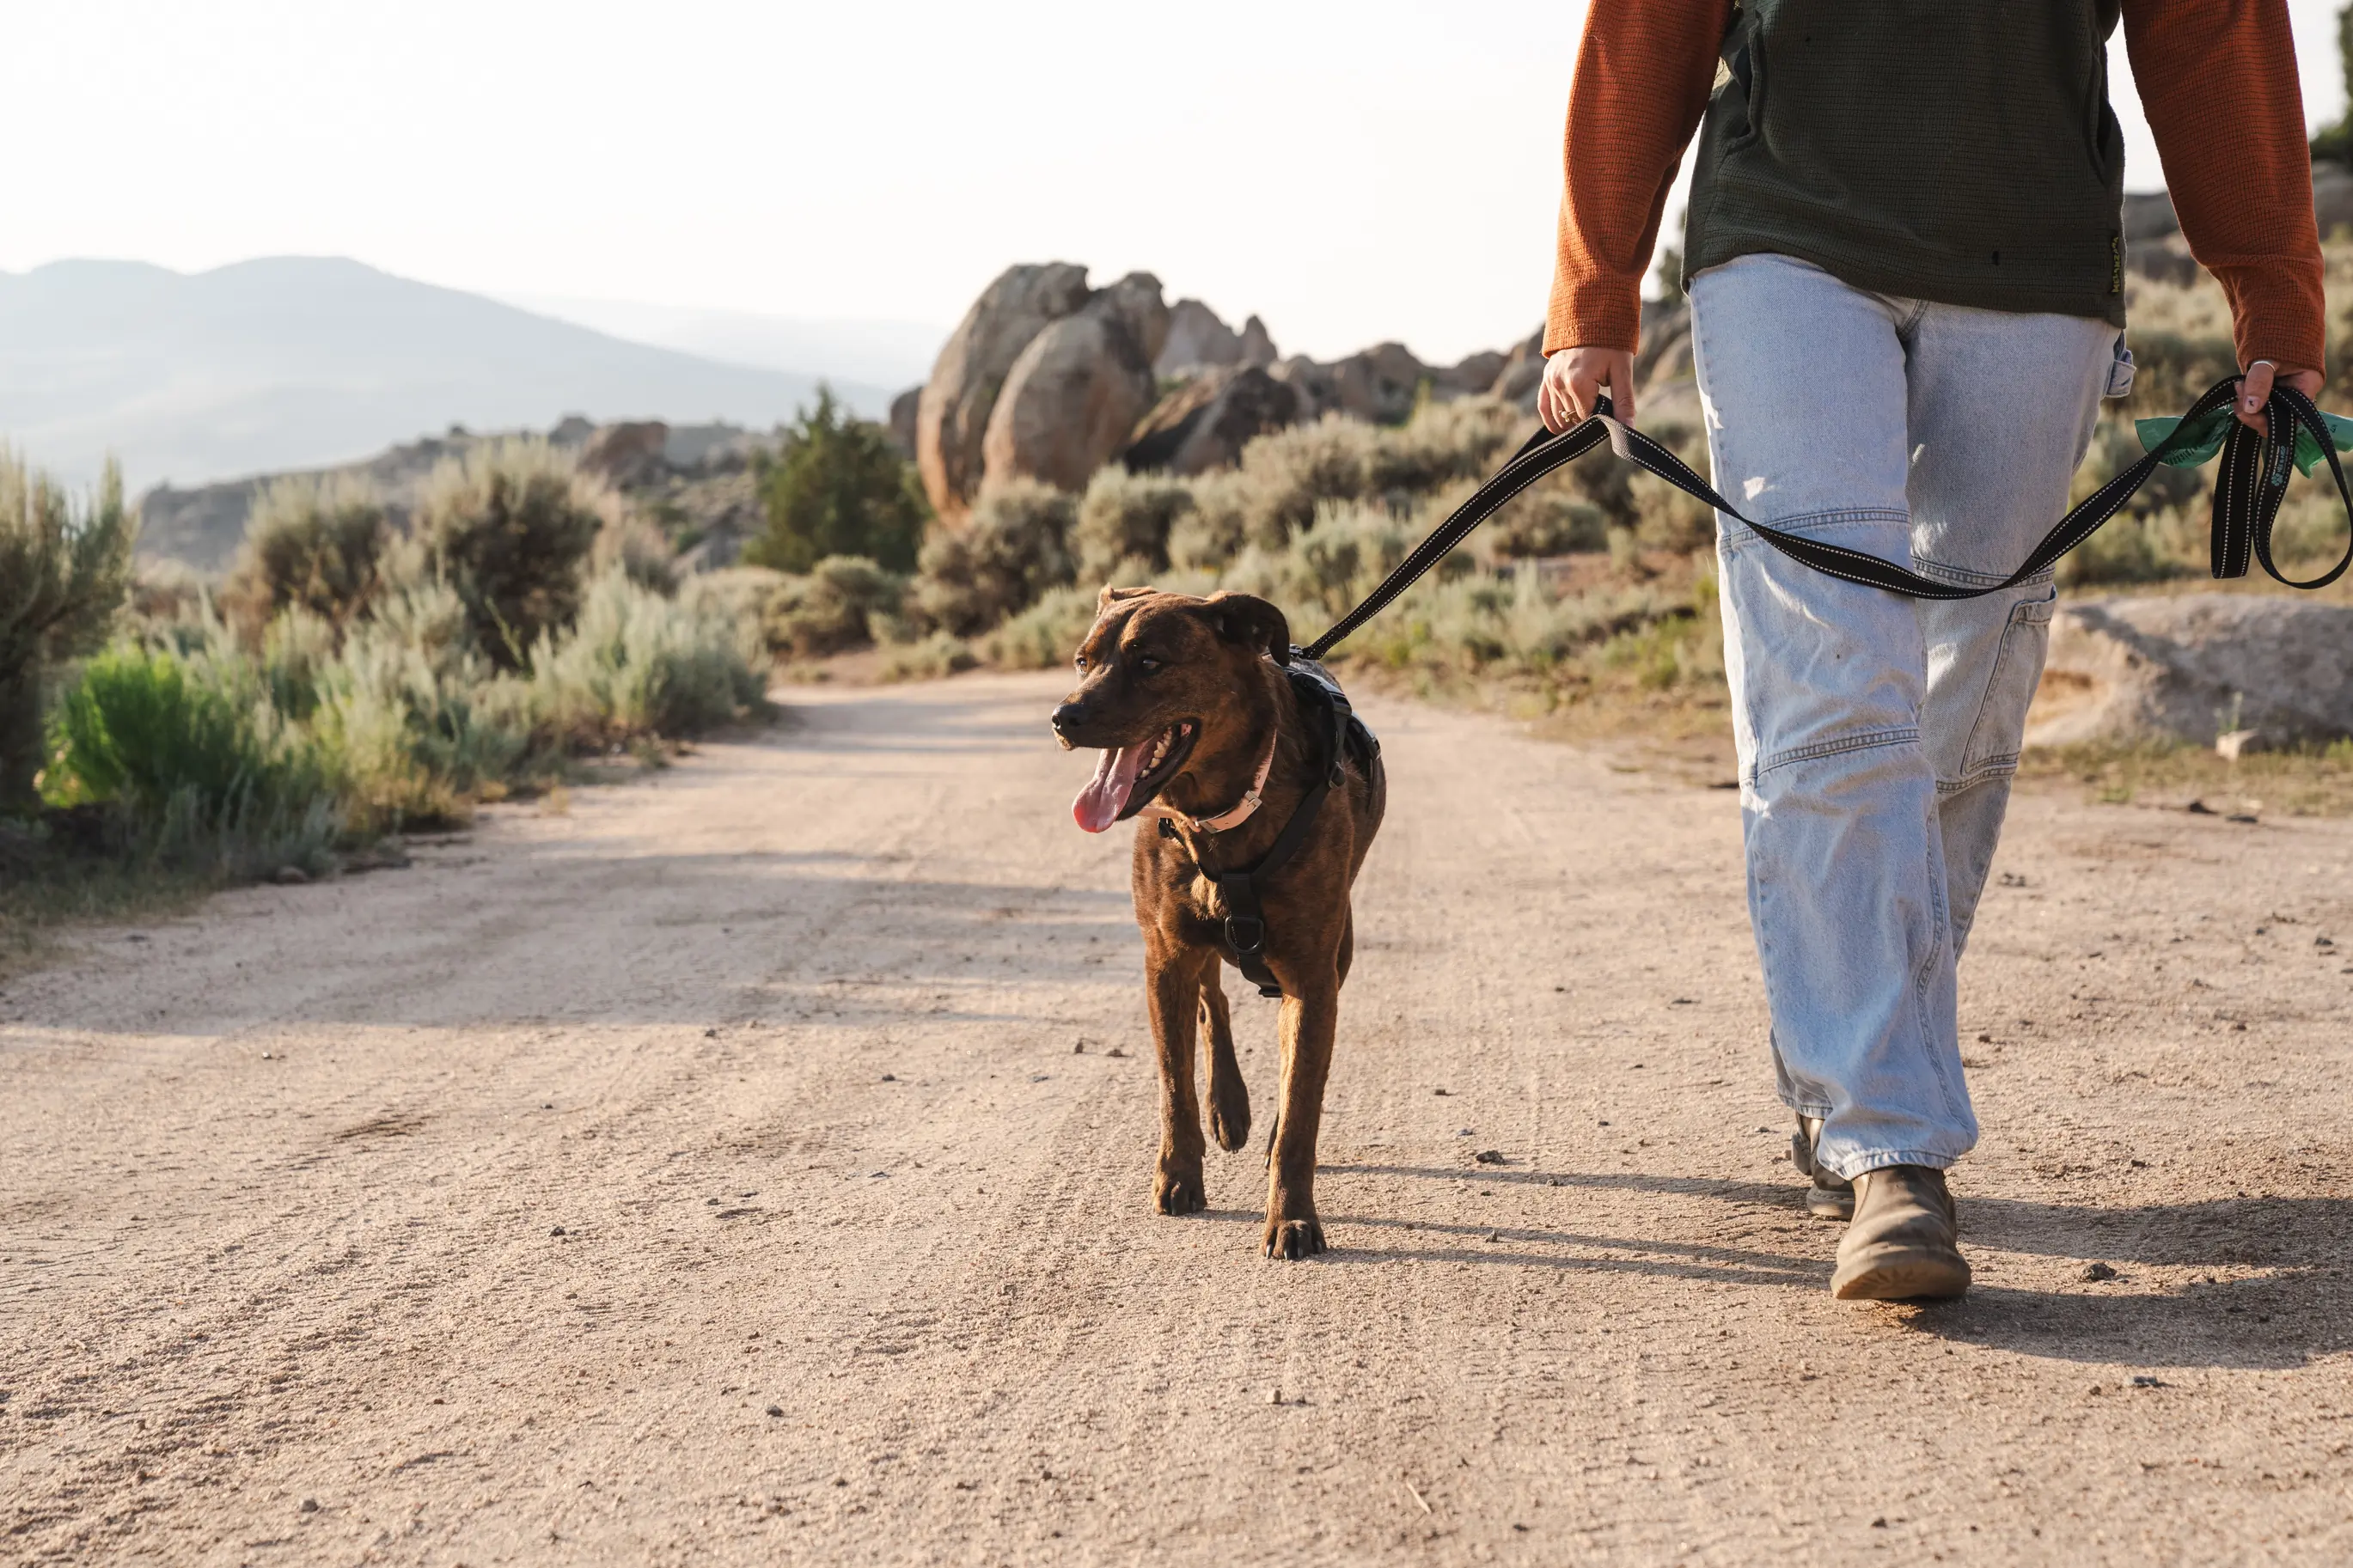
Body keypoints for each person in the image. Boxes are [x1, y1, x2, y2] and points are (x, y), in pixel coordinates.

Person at [1538, 1, 2323, 1301]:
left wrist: (2274, 298)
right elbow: (1645, 20)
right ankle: (1889, 1146)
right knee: (1834, 684)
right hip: (1785, 246)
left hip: (2035, 265)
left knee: (1971, 680)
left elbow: (2211, 24)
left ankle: (1858, 1054)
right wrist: (1591, 290)